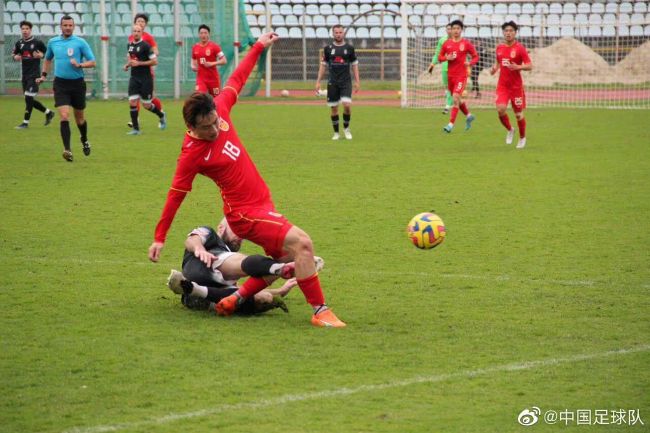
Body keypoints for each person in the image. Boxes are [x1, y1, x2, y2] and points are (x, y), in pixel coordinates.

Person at [148, 32, 346, 328]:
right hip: (244, 214)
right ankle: (320, 311)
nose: (215, 129)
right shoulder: (190, 155)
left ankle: (233, 299)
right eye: (206, 127)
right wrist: (160, 237)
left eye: (215, 121)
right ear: (191, 127)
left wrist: (257, 47)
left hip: (262, 202)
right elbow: (175, 195)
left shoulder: (221, 111)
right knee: (303, 244)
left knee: (283, 264)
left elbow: (237, 79)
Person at [167, 220, 310, 315]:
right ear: (221, 228)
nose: (241, 236)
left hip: (199, 299)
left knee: (262, 298)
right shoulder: (211, 235)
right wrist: (200, 249)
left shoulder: (230, 264)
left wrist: (280, 290)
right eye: (236, 230)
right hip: (200, 266)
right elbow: (191, 240)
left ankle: (190, 289)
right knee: (239, 262)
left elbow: (245, 288)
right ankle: (281, 268)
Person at [38, 15, 96, 162]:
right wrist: (43, 75)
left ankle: (84, 139)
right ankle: (67, 150)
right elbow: (48, 59)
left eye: (70, 25)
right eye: (65, 25)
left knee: (80, 119)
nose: (68, 28)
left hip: (77, 84)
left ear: (74, 26)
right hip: (61, 84)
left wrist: (80, 65)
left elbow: (92, 62)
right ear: (61, 26)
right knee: (64, 116)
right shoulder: (53, 42)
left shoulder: (80, 42)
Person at [490, 21, 532, 149]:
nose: (508, 33)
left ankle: (522, 137)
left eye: (511, 31)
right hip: (503, 85)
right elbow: (498, 62)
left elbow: (530, 65)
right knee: (500, 109)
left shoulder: (520, 48)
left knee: (518, 114)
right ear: (503, 33)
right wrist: (495, 69)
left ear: (515, 33)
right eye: (506, 31)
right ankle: (510, 129)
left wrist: (518, 66)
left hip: (516, 87)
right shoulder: (500, 48)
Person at [315, 24, 360, 141]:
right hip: (332, 82)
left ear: (343, 33)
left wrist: (357, 81)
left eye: (340, 32)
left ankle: (346, 129)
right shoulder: (328, 49)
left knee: (346, 105)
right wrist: (318, 81)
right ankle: (336, 133)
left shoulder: (350, 48)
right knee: (334, 108)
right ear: (333, 34)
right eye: (336, 32)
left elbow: (354, 65)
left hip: (346, 82)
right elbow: (323, 66)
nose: (338, 34)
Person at [123, 25, 166, 135]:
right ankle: (136, 129)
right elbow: (132, 59)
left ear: (142, 33)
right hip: (134, 78)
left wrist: (139, 63)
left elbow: (155, 61)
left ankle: (161, 115)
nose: (136, 33)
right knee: (132, 101)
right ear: (132, 32)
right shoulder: (130, 45)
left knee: (146, 105)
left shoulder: (146, 46)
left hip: (146, 79)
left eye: (138, 31)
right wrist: (127, 65)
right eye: (134, 31)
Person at [12, 20, 55, 129]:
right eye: (23, 29)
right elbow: (14, 54)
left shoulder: (37, 42)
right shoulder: (19, 43)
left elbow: (48, 55)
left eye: (27, 29)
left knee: (28, 98)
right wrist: (15, 57)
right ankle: (49, 112)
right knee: (29, 99)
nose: (25, 31)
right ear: (21, 30)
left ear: (30, 30)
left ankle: (25, 123)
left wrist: (41, 55)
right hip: (25, 76)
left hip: (35, 75)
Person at [438, 20, 478, 134]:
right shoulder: (447, 44)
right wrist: (447, 58)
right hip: (451, 76)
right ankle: (469, 116)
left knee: (455, 97)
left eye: (458, 28)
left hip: (461, 76)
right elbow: (440, 57)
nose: (455, 30)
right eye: (453, 28)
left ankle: (450, 125)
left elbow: (475, 57)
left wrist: (470, 63)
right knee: (458, 100)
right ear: (451, 30)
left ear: (461, 30)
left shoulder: (466, 44)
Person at [191, 24, 227, 96]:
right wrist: (192, 66)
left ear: (209, 34)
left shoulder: (214, 47)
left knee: (216, 100)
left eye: (205, 33)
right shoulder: (195, 47)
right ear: (199, 35)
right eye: (201, 33)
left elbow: (224, 60)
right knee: (199, 97)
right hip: (201, 79)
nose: (203, 35)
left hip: (213, 79)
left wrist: (212, 63)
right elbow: (193, 59)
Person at [428, 24, 452, 115]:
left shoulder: (458, 40)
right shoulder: (442, 40)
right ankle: (451, 103)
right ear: (446, 30)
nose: (450, 30)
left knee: (451, 89)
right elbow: (438, 54)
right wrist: (433, 64)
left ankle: (447, 105)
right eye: (448, 29)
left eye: (451, 29)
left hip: (456, 68)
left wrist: (467, 67)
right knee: (447, 88)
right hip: (445, 67)